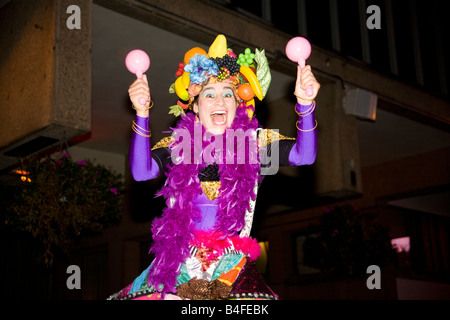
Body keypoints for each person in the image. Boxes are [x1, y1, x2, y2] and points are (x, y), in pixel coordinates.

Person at [108, 35, 320, 300]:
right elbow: (142, 172)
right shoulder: (177, 144)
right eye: (209, 94)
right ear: (195, 106)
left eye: (227, 94)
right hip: (178, 265)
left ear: (238, 103)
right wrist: (141, 114)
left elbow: (305, 155)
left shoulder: (255, 144)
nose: (220, 102)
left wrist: (305, 105)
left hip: (230, 269)